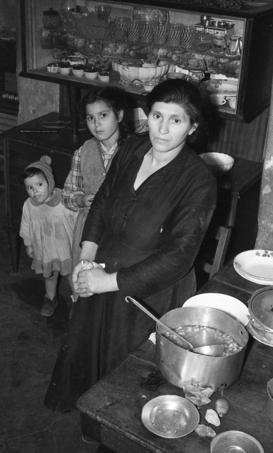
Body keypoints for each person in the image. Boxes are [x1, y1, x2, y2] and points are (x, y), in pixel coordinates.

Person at [44, 79, 217, 413]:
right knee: (88, 353)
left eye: (176, 120)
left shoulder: (197, 181)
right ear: (146, 115)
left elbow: (179, 257)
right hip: (104, 267)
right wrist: (87, 256)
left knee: (130, 379)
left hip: (149, 293)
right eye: (156, 116)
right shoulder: (132, 148)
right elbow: (102, 200)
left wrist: (107, 282)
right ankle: (92, 421)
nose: (162, 129)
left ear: (192, 126)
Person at [61, 86, 133, 289]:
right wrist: (81, 199)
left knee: (111, 283)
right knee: (84, 281)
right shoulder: (82, 152)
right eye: (90, 118)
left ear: (119, 115)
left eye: (103, 115)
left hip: (121, 234)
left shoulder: (134, 152)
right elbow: (67, 193)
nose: (97, 124)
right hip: (87, 231)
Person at [19, 156, 77, 317]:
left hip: (65, 249)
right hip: (45, 250)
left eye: (39, 184)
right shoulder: (29, 206)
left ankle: (77, 302)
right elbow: (25, 226)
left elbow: (77, 220)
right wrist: (29, 244)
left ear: (50, 182)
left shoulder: (65, 200)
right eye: (29, 187)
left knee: (70, 275)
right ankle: (50, 298)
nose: (35, 191)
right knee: (50, 275)